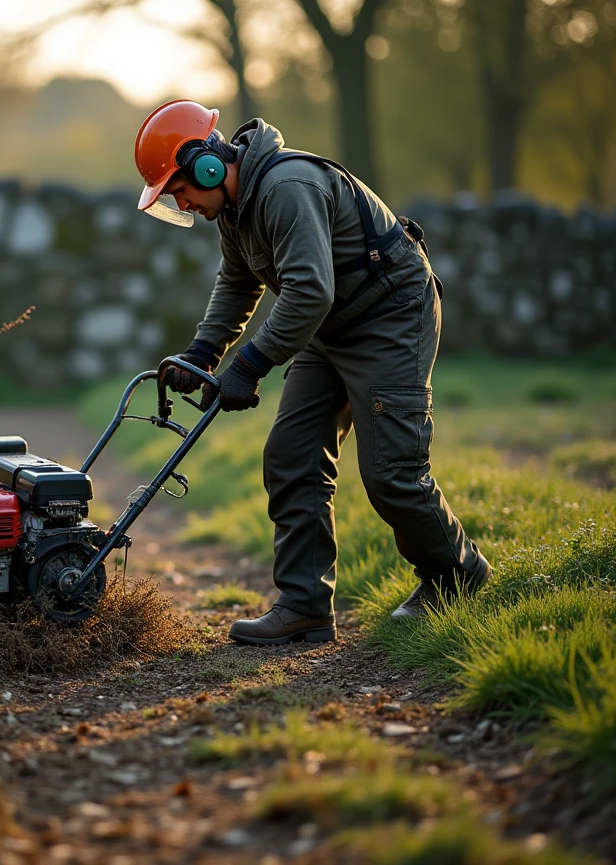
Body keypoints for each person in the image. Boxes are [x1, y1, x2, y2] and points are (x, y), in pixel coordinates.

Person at [134, 99, 492, 646]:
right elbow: (238, 283)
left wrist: (250, 365)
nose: (182, 204)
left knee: (390, 471)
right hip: (327, 327)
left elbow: (309, 291)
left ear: (206, 164)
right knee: (291, 456)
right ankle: (304, 606)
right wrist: (204, 352)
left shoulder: (287, 188)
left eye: (179, 189)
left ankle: (457, 576)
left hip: (389, 316)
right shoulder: (233, 209)